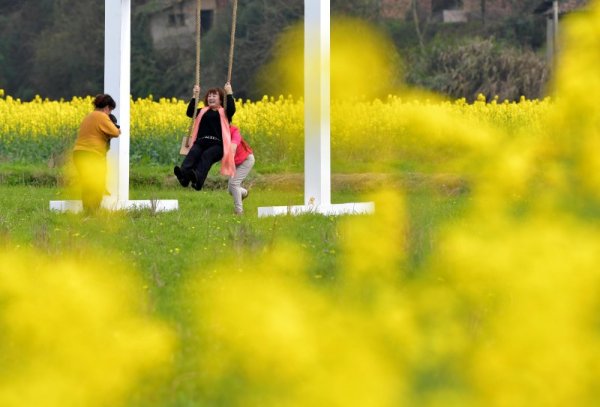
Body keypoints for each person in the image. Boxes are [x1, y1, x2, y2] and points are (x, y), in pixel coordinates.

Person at [174, 82, 236, 190]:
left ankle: (198, 181)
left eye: (214, 96)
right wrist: (194, 96)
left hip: (217, 145)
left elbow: (232, 109)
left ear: (221, 100)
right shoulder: (202, 111)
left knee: (207, 155)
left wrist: (229, 92)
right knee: (193, 153)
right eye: (209, 96)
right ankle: (184, 177)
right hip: (201, 142)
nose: (211, 98)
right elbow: (190, 113)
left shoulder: (225, 112)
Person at [72, 94, 121, 213]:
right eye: (110, 110)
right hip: (92, 154)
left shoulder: (88, 116)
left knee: (87, 183)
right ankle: (93, 212)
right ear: (106, 107)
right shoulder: (102, 116)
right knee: (98, 183)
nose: (110, 113)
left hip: (78, 153)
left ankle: (87, 212)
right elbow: (115, 132)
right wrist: (118, 129)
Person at [229, 124, 255, 215]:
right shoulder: (219, 133)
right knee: (230, 190)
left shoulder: (234, 131)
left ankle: (239, 212)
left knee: (233, 184)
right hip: (236, 162)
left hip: (246, 160)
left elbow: (233, 145)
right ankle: (244, 193)